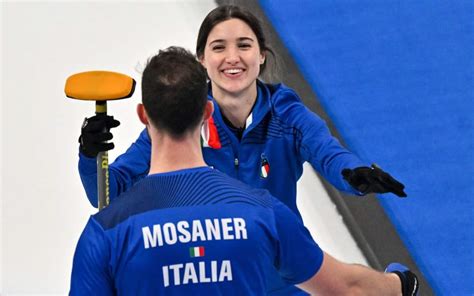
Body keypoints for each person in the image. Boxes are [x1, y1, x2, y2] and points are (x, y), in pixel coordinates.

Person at [77, 5, 407, 295]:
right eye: (219, 47)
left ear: (261, 55)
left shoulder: (286, 114)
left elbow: (326, 151)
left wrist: (353, 174)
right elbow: (108, 190)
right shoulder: (179, 117)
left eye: (244, 45)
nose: (233, 57)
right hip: (219, 271)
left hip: (285, 277)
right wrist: (91, 156)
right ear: (202, 60)